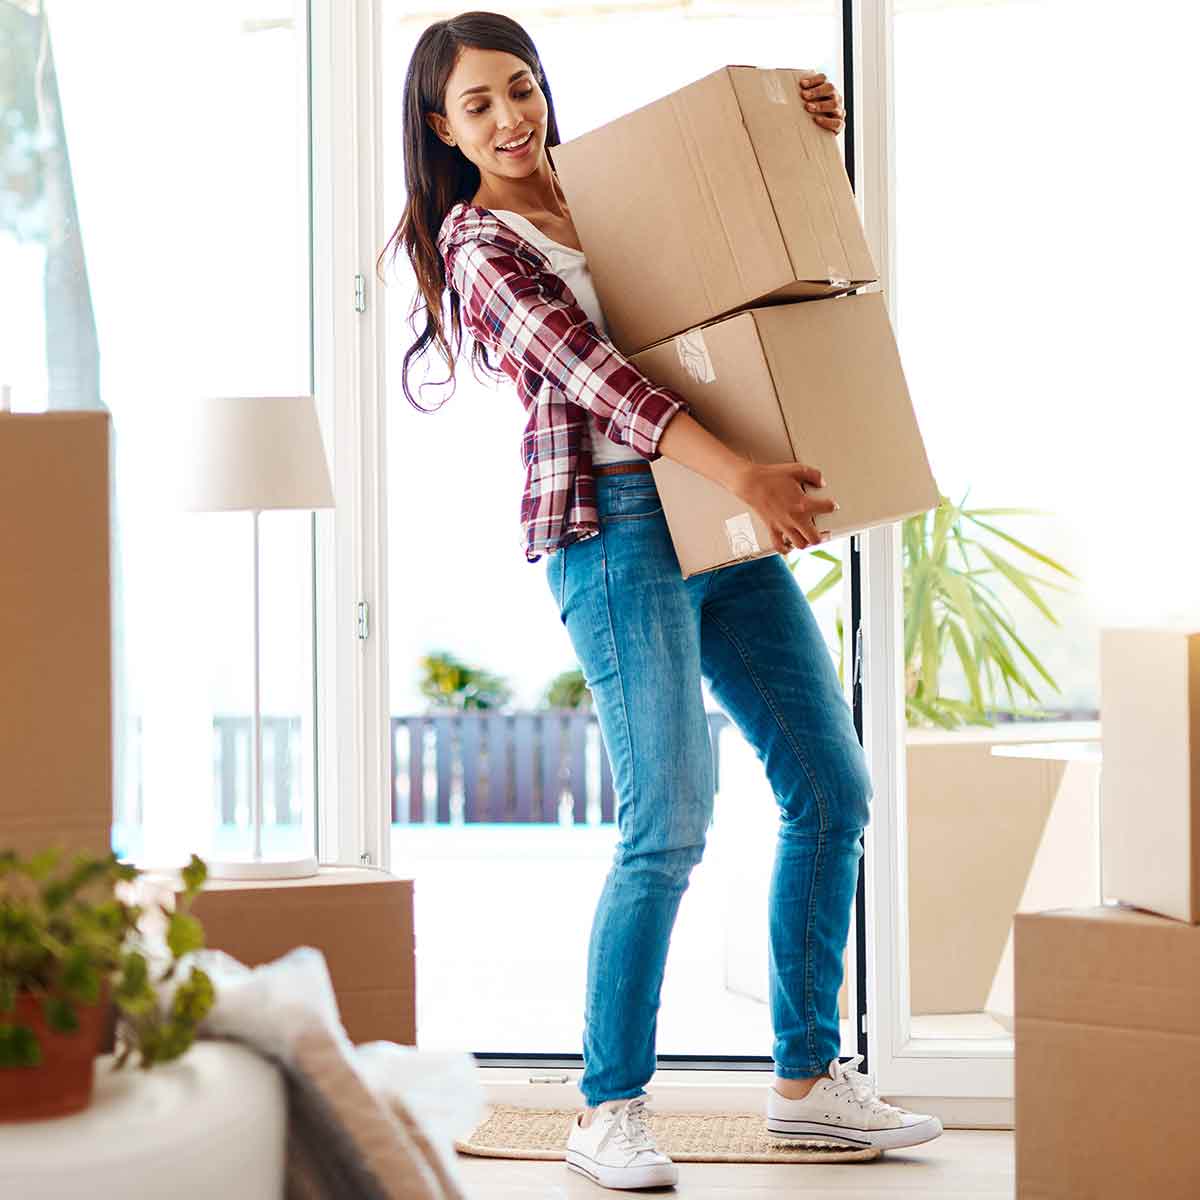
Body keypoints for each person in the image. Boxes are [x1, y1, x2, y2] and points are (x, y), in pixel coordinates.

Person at [380, 11, 944, 1191]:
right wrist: (740, 471)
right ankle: (608, 1107)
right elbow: (600, 373)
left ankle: (804, 1087)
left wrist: (804, 141)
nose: (510, 118)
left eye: (520, 90)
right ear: (443, 128)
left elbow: (737, 267)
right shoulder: (481, 245)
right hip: (618, 530)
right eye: (478, 105)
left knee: (833, 790)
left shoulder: (607, 196)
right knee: (668, 823)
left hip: (715, 522)